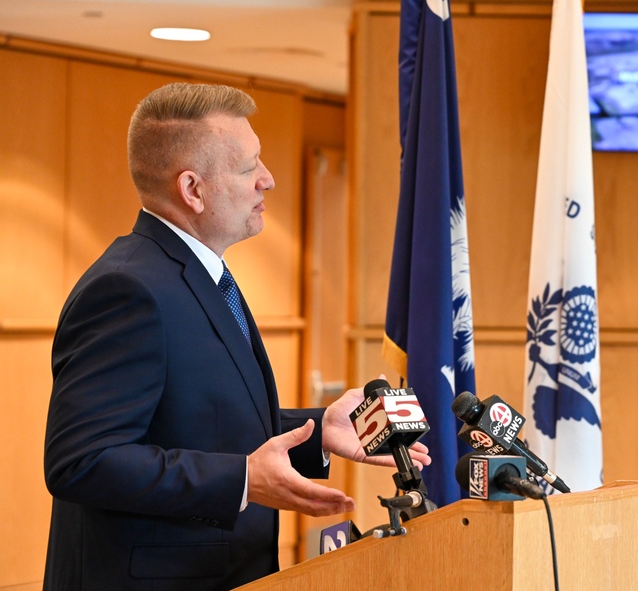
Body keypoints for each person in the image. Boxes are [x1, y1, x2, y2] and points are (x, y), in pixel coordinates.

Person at [42, 82, 430, 590]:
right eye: (249, 167)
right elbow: (82, 461)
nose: (267, 180)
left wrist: (319, 431)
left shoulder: (201, 273)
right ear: (193, 190)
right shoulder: (127, 289)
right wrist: (244, 480)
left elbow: (198, 425)